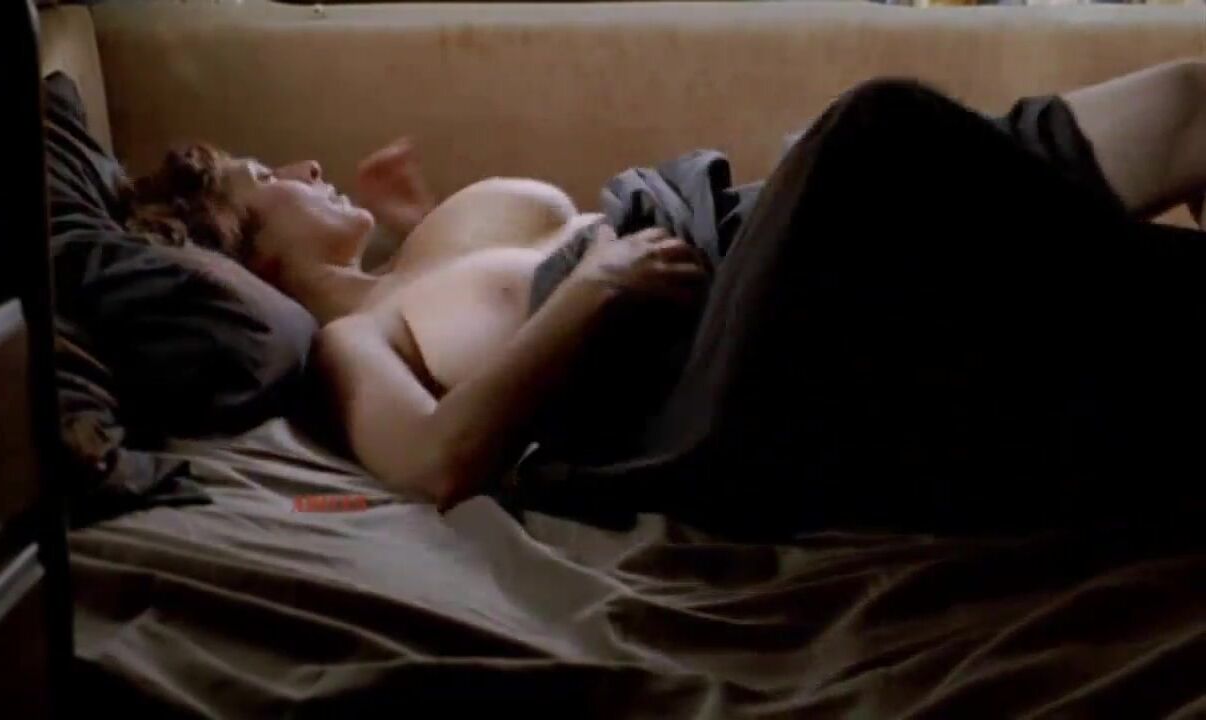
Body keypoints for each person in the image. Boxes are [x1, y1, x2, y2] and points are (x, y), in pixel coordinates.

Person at [125, 60, 1204, 537]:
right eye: (264, 177)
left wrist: (417, 219)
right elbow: (434, 462)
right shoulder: (353, 343)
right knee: (873, 133)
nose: (305, 166)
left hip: (750, 243)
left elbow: (493, 276)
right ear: (242, 253)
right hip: (718, 367)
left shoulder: (418, 256)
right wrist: (587, 293)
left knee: (1187, 103)